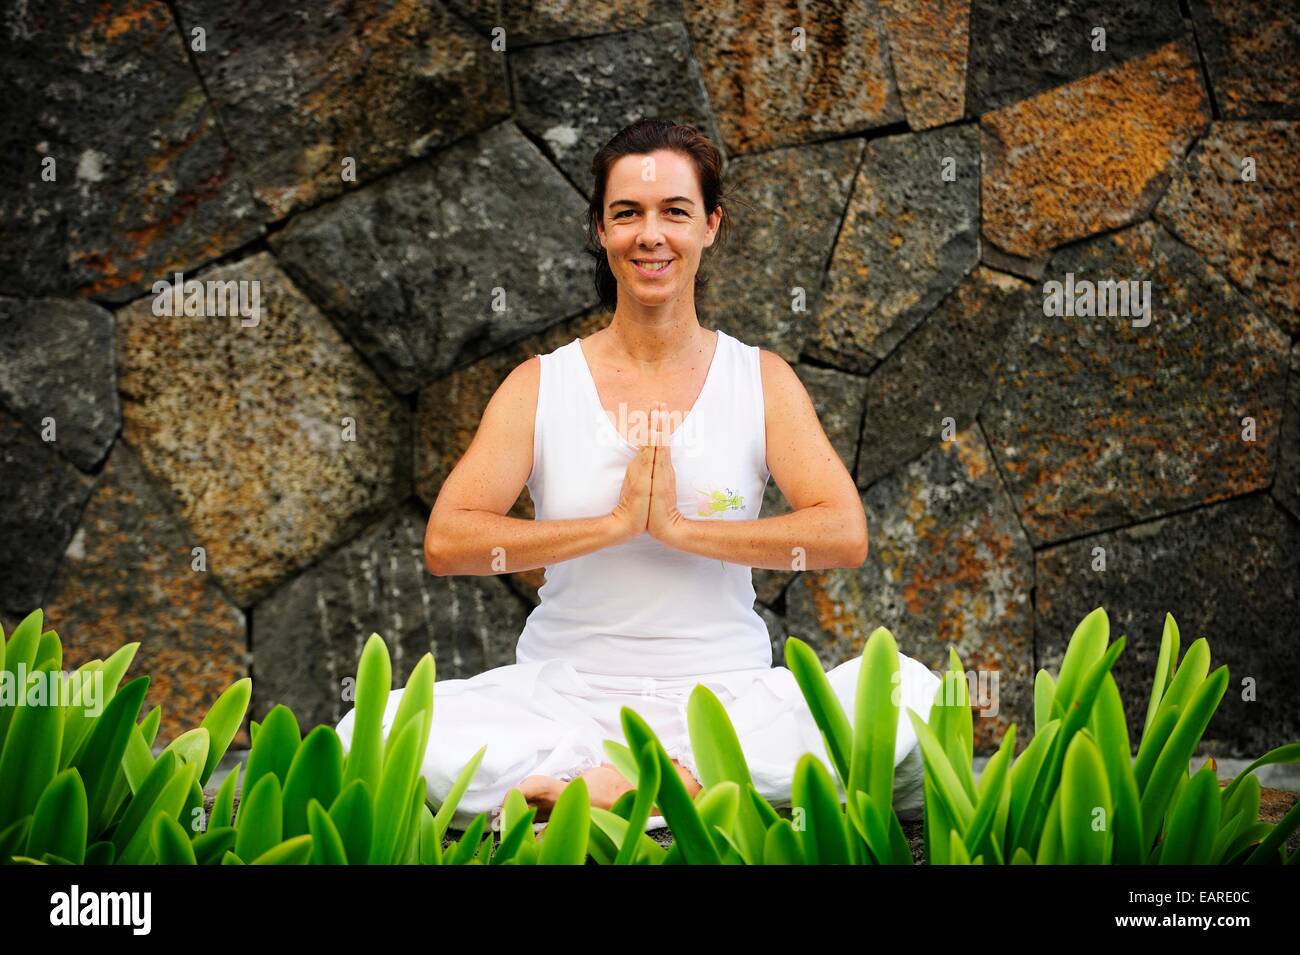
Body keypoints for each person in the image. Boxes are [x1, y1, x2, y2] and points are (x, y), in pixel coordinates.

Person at [335, 117, 941, 835]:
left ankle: (632, 782)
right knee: (368, 729)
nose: (650, 235)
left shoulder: (760, 379)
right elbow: (449, 541)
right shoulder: (541, 384)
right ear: (600, 229)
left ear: (711, 225)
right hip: (563, 698)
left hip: (726, 701)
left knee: (910, 689)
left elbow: (842, 533)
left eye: (675, 211)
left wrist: (682, 531)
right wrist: (613, 526)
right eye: (627, 213)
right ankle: (658, 783)